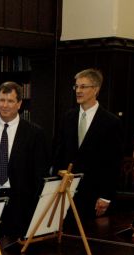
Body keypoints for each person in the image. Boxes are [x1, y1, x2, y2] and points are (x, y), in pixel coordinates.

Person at [0, 81, 49, 239]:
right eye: (2, 100)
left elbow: (39, 172)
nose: (5, 105)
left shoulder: (35, 133)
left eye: (10, 101)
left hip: (21, 201)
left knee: (16, 248)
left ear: (19, 104)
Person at [52, 68, 123, 221]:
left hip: (94, 197)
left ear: (96, 89)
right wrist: (55, 188)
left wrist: (106, 196)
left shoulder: (111, 122)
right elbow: (59, 155)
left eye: (83, 87)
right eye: (76, 86)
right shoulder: (67, 118)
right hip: (67, 194)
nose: (78, 91)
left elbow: (113, 163)